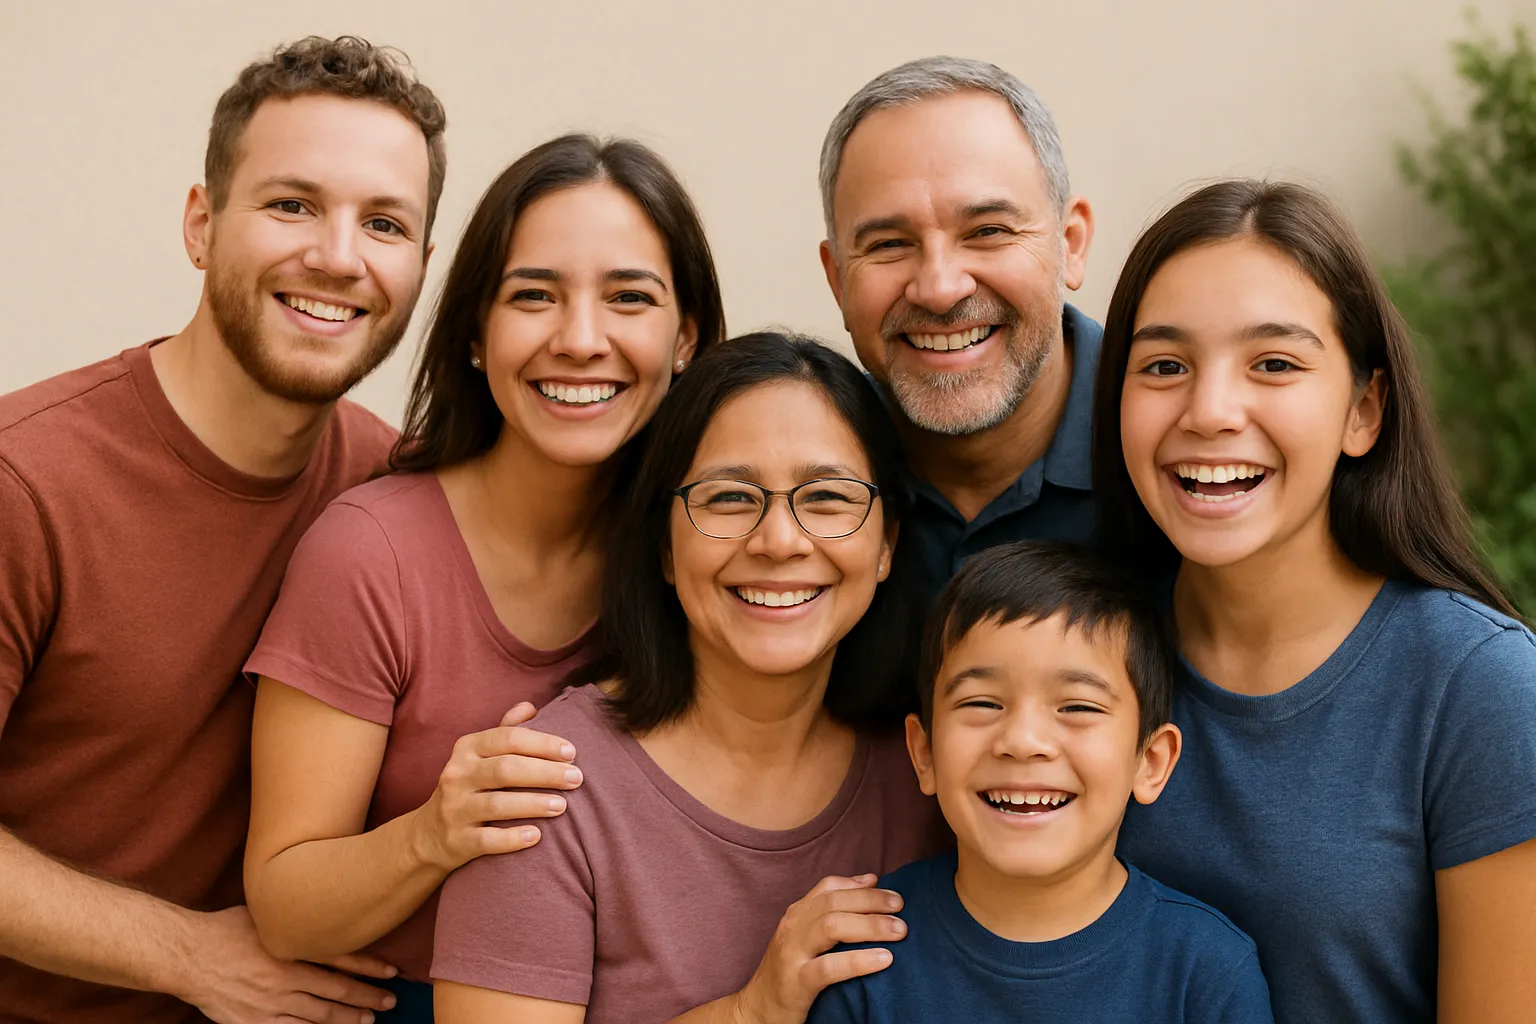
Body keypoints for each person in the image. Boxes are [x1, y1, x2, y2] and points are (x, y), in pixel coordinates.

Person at [0, 36, 446, 1024]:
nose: (336, 256)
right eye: (292, 204)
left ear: (422, 264)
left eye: (383, 223)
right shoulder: (25, 481)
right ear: (202, 223)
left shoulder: (397, 489)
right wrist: (187, 955)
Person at [241, 133, 726, 1022]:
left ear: (686, 336)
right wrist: (434, 834)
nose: (581, 341)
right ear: (474, 332)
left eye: (629, 298)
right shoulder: (370, 553)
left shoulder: (709, 546)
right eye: (534, 296)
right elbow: (281, 904)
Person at [1099, 180, 1536, 1023]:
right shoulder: (1080, 650)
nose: (1212, 410)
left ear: (1363, 411)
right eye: (1164, 366)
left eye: (1275, 364)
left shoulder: (1479, 689)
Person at [430, 332, 947, 1023]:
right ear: (664, 549)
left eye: (827, 496)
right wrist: (750, 1013)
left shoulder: (930, 773)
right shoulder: (545, 788)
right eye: (730, 498)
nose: (780, 540)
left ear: (885, 546)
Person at [807, 541, 1273, 1023]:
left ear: (1150, 761)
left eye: (1077, 707)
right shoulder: (866, 951)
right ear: (923, 752)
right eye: (982, 703)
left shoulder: (1205, 971)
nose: (1024, 741)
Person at [817, 56, 1099, 607]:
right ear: (837, 279)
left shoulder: (1176, 448)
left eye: (988, 231)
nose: (940, 288)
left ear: (1070, 243)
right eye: (889, 244)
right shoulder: (801, 485)